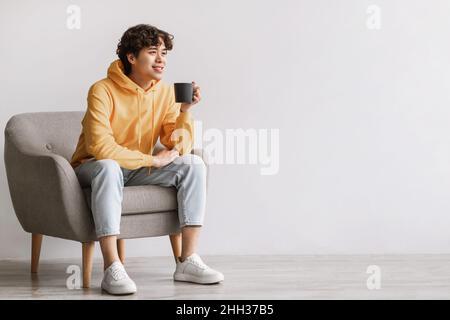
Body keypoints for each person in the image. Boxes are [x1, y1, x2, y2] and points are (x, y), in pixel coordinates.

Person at [70, 24, 224, 295]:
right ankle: (112, 266)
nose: (161, 59)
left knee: (194, 164)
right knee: (108, 167)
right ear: (131, 57)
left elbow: (178, 146)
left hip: (136, 168)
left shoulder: (164, 92)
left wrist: (185, 111)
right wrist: (153, 161)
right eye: (153, 52)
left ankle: (187, 261)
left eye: (164, 53)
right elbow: (102, 147)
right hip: (93, 167)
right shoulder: (101, 90)